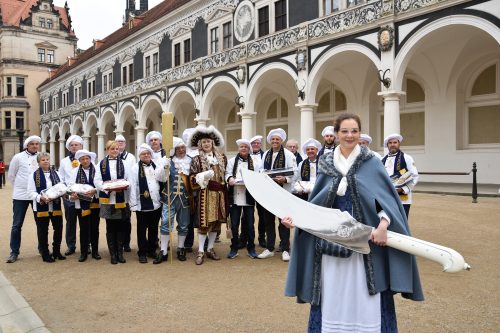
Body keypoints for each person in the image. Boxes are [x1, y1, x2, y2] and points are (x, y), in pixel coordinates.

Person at [283, 113, 424, 332]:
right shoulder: (326, 163)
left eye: (354, 131)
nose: (350, 136)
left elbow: (383, 200)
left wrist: (384, 225)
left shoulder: (371, 162)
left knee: (367, 294)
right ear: (337, 134)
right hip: (332, 246)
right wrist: (296, 219)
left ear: (360, 133)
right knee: (333, 293)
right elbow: (316, 205)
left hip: (367, 246)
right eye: (345, 131)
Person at [188, 125, 228, 265]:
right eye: (204, 142)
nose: (206, 144)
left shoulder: (222, 158)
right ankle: (200, 251)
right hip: (205, 194)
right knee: (204, 224)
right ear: (200, 144)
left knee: (216, 224)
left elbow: (226, 175)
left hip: (219, 195)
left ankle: (210, 249)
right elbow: (191, 179)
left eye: (208, 141)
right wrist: (202, 176)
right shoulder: (196, 160)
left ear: (212, 143)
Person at [257, 128, 297, 261]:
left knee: (283, 221)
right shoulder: (266, 154)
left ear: (281, 141)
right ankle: (269, 248)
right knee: (268, 221)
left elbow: (295, 172)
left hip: (283, 192)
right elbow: (261, 170)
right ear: (270, 141)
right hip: (269, 192)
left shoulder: (288, 154)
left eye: (277, 139)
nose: (275, 141)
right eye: (273, 139)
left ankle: (285, 249)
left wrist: (285, 179)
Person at [155, 137, 193, 263]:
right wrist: (165, 166)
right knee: (166, 223)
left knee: (184, 225)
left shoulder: (191, 161)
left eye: (183, 147)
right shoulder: (167, 161)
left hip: (185, 199)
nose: (181, 150)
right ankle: (164, 251)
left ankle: (181, 248)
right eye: (178, 148)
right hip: (169, 198)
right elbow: (160, 178)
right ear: (174, 150)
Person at [94, 140, 130, 265]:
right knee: (110, 226)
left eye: (116, 149)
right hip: (108, 199)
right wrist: (106, 187)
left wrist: (124, 185)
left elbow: (128, 178)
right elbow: (97, 180)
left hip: (121, 198)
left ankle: (120, 253)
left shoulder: (124, 163)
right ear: (107, 150)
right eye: (112, 149)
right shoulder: (101, 164)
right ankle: (113, 254)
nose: (114, 151)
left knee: (121, 226)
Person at [6, 135, 41, 263]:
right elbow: (11, 175)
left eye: (36, 144)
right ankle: (14, 252)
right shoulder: (18, 157)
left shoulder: (40, 156)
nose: (34, 146)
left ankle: (42, 248)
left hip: (36, 195)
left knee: (40, 223)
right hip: (20, 196)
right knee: (16, 225)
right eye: (32, 144)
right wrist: (21, 188)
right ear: (27, 145)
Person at [27, 152, 65, 263]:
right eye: (43, 160)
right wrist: (40, 197)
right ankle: (45, 253)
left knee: (58, 229)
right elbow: (30, 192)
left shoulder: (56, 174)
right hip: (41, 207)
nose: (46, 161)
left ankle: (56, 251)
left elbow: (61, 187)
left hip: (55, 206)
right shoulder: (33, 175)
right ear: (39, 162)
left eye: (47, 159)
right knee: (43, 231)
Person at [129, 144, 162, 264]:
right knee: (142, 230)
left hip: (155, 203)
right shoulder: (134, 168)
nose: (146, 155)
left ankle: (152, 250)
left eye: (148, 153)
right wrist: (133, 204)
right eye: (144, 154)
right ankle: (142, 252)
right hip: (141, 205)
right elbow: (132, 187)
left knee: (154, 229)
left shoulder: (156, 165)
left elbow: (162, 179)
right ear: (140, 156)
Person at [225, 139, 258, 259]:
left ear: (249, 149)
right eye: (241, 147)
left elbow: (258, 174)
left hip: (248, 196)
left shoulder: (254, 161)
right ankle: (234, 248)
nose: (243, 149)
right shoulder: (232, 161)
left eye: (245, 147)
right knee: (234, 224)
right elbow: (227, 173)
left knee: (249, 224)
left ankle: (251, 248)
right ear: (238, 149)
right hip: (235, 195)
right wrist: (229, 179)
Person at [68, 149, 101, 262]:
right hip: (81, 205)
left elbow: (101, 184)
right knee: (83, 228)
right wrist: (73, 194)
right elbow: (70, 186)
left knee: (95, 228)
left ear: (90, 159)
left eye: (87, 158)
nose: (85, 161)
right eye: (82, 159)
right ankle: (83, 252)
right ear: (80, 160)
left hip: (95, 203)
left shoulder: (97, 169)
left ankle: (95, 251)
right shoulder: (75, 171)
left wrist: (95, 190)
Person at [382, 133, 419, 218]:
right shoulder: (382, 160)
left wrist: (402, 189)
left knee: (402, 222)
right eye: (390, 143)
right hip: (387, 197)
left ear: (399, 144)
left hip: (403, 198)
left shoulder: (407, 158)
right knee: (388, 222)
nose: (392, 145)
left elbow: (415, 176)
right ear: (387, 145)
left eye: (395, 142)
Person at [59, 134, 84, 256]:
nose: (74, 147)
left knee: (85, 221)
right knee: (70, 222)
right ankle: (71, 245)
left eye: (76, 145)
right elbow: (61, 179)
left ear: (81, 146)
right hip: (69, 196)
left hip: (83, 195)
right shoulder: (64, 161)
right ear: (69, 148)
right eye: (72, 145)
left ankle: (86, 245)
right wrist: (68, 193)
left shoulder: (85, 158)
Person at [115, 134, 137, 253]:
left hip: (126, 193)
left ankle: (126, 243)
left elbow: (133, 174)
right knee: (116, 219)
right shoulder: (111, 156)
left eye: (122, 142)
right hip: (114, 193)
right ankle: (117, 243)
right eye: (117, 142)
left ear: (125, 144)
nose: (119, 144)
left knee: (126, 220)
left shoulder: (131, 157)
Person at [182, 128, 197, 253]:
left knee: (203, 216)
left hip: (201, 189)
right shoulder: (182, 154)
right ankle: (188, 242)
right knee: (189, 217)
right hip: (187, 190)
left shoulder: (202, 152)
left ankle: (206, 241)